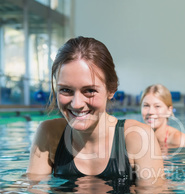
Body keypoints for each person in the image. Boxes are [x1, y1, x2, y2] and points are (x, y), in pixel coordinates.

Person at [27, 36, 164, 184]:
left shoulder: (138, 137)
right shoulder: (49, 133)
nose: (77, 104)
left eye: (89, 90)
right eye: (66, 90)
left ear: (111, 89)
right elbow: (32, 188)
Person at [140, 84, 185, 151]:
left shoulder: (179, 140)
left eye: (157, 106)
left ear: (169, 110)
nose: (150, 112)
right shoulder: (137, 137)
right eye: (146, 105)